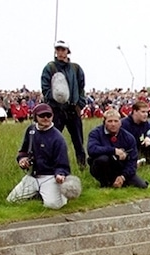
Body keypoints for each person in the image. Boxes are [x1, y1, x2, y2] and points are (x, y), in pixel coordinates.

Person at [6, 103, 81, 209]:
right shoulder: (31, 130)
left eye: (48, 115)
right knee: (12, 200)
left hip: (50, 177)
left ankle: (59, 194)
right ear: (35, 117)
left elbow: (63, 163)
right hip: (32, 176)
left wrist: (60, 174)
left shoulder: (58, 138)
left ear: (52, 116)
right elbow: (23, 151)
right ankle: (38, 194)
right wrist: (22, 160)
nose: (46, 118)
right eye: (42, 115)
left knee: (53, 205)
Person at [41, 40, 87, 168]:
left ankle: (82, 166)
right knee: (53, 139)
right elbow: (45, 88)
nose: (61, 52)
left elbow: (81, 87)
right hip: (56, 110)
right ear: (55, 51)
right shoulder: (50, 68)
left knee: (78, 141)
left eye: (63, 50)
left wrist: (80, 104)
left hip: (73, 110)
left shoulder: (76, 68)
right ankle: (51, 166)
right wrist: (54, 100)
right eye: (58, 50)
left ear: (68, 51)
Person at [87, 108, 149, 189]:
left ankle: (119, 181)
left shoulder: (128, 137)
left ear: (120, 123)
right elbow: (92, 149)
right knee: (103, 159)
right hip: (103, 166)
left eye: (116, 121)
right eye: (110, 121)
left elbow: (132, 162)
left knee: (142, 186)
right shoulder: (95, 133)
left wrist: (123, 177)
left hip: (121, 167)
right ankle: (105, 183)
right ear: (104, 122)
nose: (113, 124)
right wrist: (113, 151)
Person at [121, 101, 150, 165]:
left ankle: (149, 163)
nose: (146, 114)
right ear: (135, 111)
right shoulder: (124, 124)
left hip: (140, 148)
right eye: (143, 112)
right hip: (128, 150)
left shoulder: (145, 123)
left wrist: (149, 138)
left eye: (147, 112)